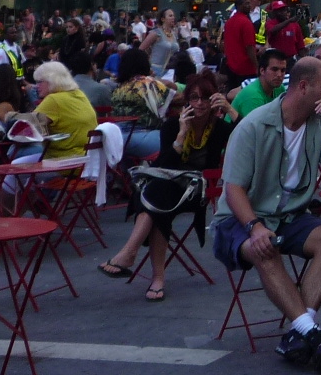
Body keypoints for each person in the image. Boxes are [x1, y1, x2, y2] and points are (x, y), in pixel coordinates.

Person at [213, 56, 321, 368]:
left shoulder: (319, 125)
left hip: (288, 215)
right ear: (303, 87)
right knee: (266, 247)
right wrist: (254, 226)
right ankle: (311, 332)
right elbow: (233, 190)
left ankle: (301, 330)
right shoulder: (254, 125)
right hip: (240, 218)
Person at [100, 73, 234, 300]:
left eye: (205, 98)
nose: (199, 104)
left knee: (154, 197)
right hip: (167, 187)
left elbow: (246, 135)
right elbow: (164, 165)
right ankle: (154, 278)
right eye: (194, 98)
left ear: (213, 100)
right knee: (159, 199)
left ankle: (132, 256)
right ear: (187, 101)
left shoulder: (220, 128)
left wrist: (230, 110)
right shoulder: (173, 124)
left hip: (196, 190)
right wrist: (181, 135)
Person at [109, 50, 174, 159]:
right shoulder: (147, 82)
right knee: (179, 143)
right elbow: (176, 98)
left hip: (117, 139)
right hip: (142, 137)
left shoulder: (119, 87)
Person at [222, 0, 267, 86]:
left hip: (251, 57)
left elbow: (267, 33)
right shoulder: (241, 19)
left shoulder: (263, 14)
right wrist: (256, 65)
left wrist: (265, 46)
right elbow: (248, 46)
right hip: (246, 63)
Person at [234, 48, 292, 119]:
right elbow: (256, 128)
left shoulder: (279, 88)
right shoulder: (253, 96)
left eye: (283, 70)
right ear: (262, 71)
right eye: (274, 69)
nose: (279, 75)